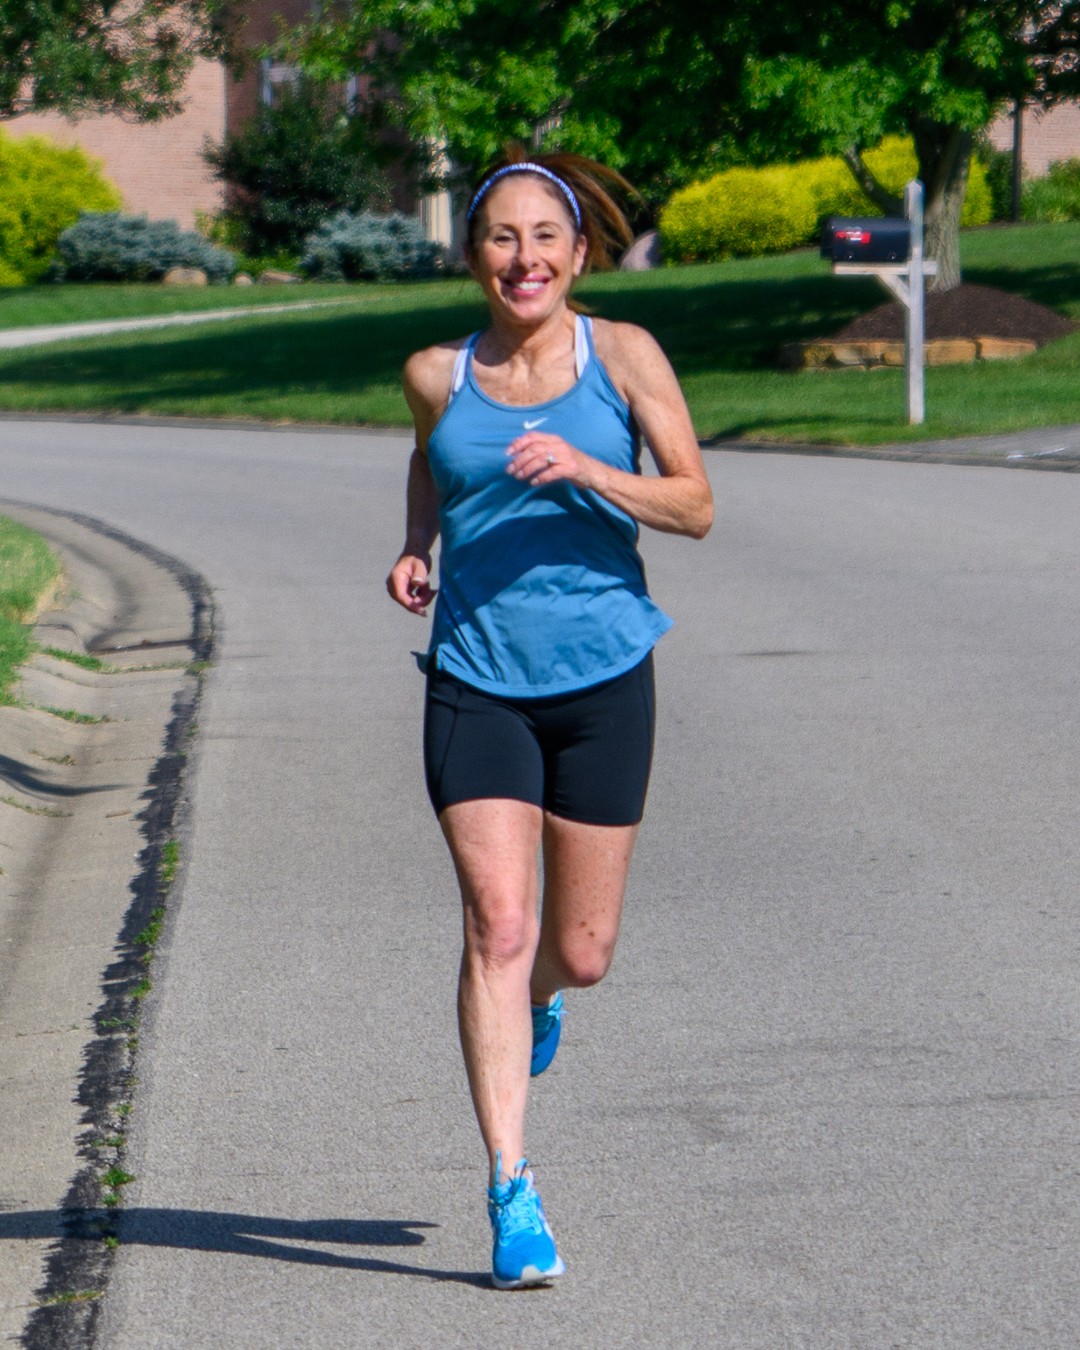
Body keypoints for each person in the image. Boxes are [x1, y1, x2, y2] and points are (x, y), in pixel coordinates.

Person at [386, 147, 713, 1289]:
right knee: (498, 923)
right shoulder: (437, 372)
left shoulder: (622, 356)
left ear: (576, 254)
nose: (523, 258)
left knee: (579, 952)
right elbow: (431, 460)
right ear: (474, 254)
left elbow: (696, 505)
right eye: (501, 237)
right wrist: (417, 544)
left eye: (543, 238)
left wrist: (587, 468)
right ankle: (510, 1188)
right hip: (475, 676)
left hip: (602, 674)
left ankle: (541, 1002)